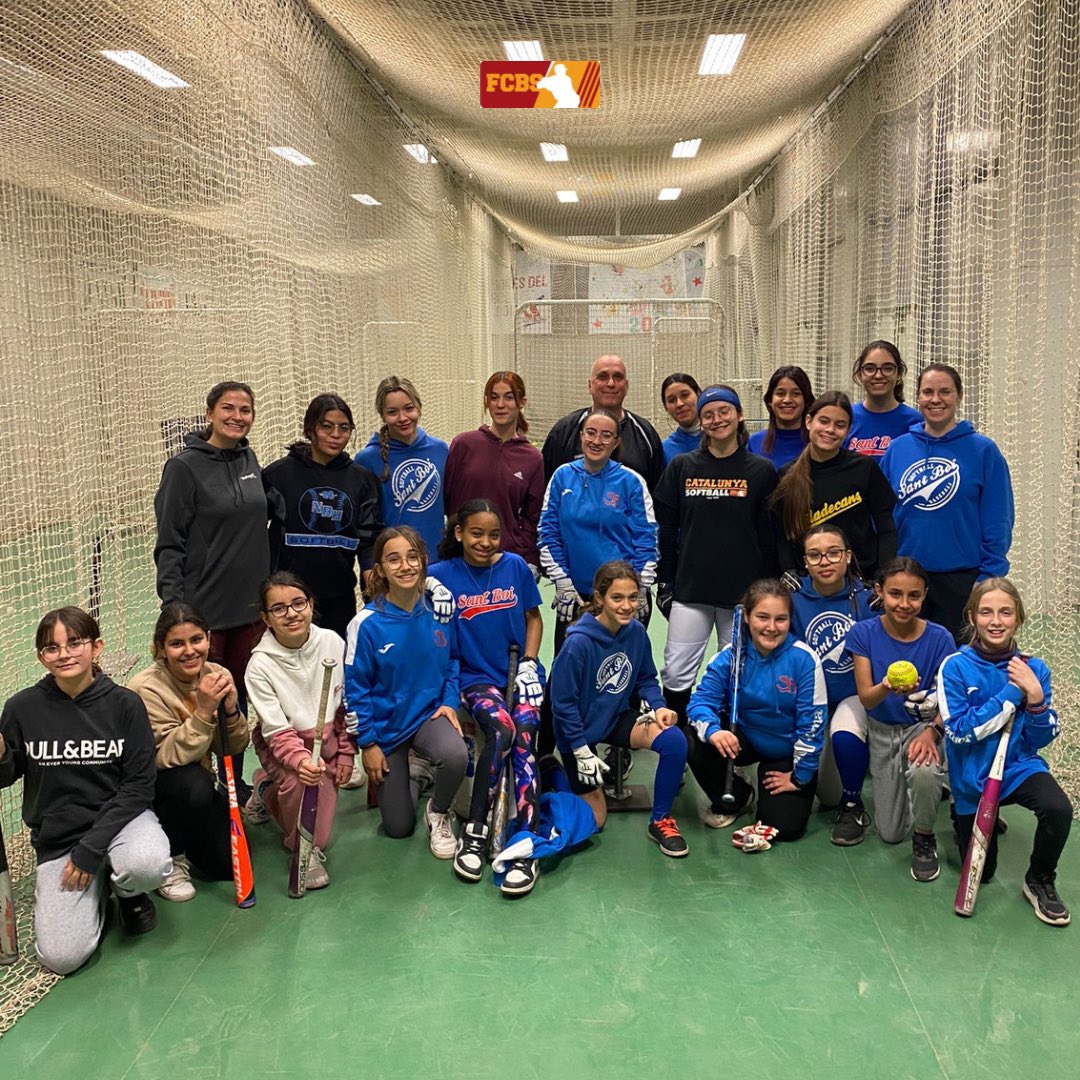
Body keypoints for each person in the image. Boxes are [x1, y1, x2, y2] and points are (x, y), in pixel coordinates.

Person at [0, 607, 170, 974]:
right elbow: (6, 774)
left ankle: (128, 892)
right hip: (61, 835)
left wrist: (92, 849)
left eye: (74, 643)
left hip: (122, 821)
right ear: (41, 657)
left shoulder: (125, 704)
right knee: (62, 958)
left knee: (147, 864)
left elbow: (139, 786)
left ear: (97, 647)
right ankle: (99, 893)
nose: (64, 654)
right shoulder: (21, 708)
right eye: (51, 648)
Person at [154, 381, 269, 804]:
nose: (237, 416)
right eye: (228, 408)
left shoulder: (250, 458)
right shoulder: (183, 468)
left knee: (236, 707)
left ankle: (234, 786)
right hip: (206, 617)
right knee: (203, 708)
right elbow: (169, 542)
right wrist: (175, 607)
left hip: (251, 614)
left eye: (245, 410)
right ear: (209, 413)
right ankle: (202, 796)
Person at [939, 578, 1072, 925]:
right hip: (973, 777)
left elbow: (1040, 739)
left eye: (1005, 612)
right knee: (984, 874)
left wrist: (1036, 698)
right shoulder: (954, 667)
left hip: (1018, 766)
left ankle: (1039, 880)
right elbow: (960, 732)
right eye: (986, 612)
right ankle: (960, 815)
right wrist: (1013, 694)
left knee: (1058, 808)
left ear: (1019, 619)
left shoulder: (1034, 669)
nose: (996, 620)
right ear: (972, 617)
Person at [429, 500, 545, 895]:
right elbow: (393, 580)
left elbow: (533, 618)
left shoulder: (513, 566)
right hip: (475, 678)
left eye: (493, 534)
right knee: (500, 728)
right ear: (459, 533)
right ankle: (476, 831)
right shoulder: (442, 574)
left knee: (526, 729)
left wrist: (530, 661)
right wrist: (427, 584)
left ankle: (526, 840)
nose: (485, 541)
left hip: (519, 672)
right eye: (476, 533)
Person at [654, 385, 779, 729]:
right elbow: (666, 529)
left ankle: (728, 751)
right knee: (677, 671)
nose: (717, 419)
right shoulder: (682, 467)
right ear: (701, 420)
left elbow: (769, 534)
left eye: (724, 411)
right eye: (708, 414)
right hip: (691, 589)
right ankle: (676, 748)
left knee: (735, 672)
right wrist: (665, 579)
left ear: (739, 416)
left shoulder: (761, 470)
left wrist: (769, 587)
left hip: (742, 595)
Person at [549, 561, 690, 857]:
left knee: (674, 740)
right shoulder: (577, 643)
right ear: (599, 598)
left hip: (614, 718)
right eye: (617, 598)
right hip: (579, 731)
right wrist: (578, 749)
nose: (627, 606)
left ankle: (661, 820)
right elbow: (562, 705)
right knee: (596, 820)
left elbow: (646, 678)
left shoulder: (636, 632)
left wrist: (659, 706)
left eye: (633, 597)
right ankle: (550, 770)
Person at [344, 527, 467, 858]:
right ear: (380, 568)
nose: (405, 566)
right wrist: (367, 744)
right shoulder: (366, 625)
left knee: (456, 754)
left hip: (428, 715)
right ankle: (415, 775)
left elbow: (453, 661)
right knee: (397, 828)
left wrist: (450, 703)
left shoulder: (439, 611)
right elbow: (355, 691)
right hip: (388, 731)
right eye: (394, 559)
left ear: (424, 562)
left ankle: (439, 812)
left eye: (413, 557)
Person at [881, 363, 1015, 642]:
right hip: (907, 579)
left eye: (945, 391)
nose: (935, 399)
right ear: (917, 397)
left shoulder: (983, 451)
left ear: (959, 396)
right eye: (927, 392)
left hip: (963, 580)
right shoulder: (898, 449)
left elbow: (998, 519)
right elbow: (882, 516)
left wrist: (988, 577)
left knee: (958, 669)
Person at [686, 580, 827, 842]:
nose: (771, 627)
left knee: (783, 829)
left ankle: (777, 787)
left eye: (780, 619)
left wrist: (799, 777)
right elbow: (699, 703)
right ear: (748, 617)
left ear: (789, 620)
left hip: (785, 750)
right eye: (762, 617)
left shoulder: (805, 660)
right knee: (692, 738)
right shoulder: (730, 656)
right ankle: (738, 797)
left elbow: (812, 725)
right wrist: (715, 732)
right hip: (743, 740)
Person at [844, 557, 957, 881]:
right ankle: (927, 789)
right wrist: (887, 686)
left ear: (924, 595)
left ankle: (925, 835)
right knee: (890, 833)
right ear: (879, 591)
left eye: (914, 596)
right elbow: (866, 698)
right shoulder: (863, 633)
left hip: (922, 728)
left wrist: (932, 733)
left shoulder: (941, 639)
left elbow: (948, 702)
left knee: (922, 771)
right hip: (881, 730)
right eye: (895, 594)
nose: (904, 604)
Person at [129, 602, 250, 901]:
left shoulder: (217, 674)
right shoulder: (145, 689)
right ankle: (172, 858)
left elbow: (232, 747)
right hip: (157, 791)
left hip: (197, 784)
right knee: (193, 783)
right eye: (176, 644)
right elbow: (165, 757)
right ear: (160, 648)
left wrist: (231, 713)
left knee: (224, 867)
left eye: (196, 639)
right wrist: (205, 710)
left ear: (208, 638)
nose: (189, 651)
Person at [245, 573, 354, 891]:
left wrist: (346, 752)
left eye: (298, 603)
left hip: (329, 742)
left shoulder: (332, 642)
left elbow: (344, 706)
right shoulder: (259, 666)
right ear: (266, 618)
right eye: (279, 609)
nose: (291, 613)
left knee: (322, 824)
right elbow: (277, 732)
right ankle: (304, 847)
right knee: (308, 826)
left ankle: (264, 788)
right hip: (284, 748)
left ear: (311, 604)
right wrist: (301, 763)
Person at [539, 406, 658, 655]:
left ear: (616, 442)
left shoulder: (631, 481)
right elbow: (548, 534)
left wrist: (639, 588)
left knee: (619, 673)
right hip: (575, 596)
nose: (597, 441)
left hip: (621, 598)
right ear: (581, 435)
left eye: (606, 435)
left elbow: (647, 538)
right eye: (591, 433)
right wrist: (563, 583)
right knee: (568, 672)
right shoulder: (562, 476)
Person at [263, 393, 381, 639]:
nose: (335, 434)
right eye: (326, 426)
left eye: (344, 428)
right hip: (288, 599)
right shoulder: (278, 475)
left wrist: (371, 573)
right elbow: (255, 534)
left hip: (339, 597)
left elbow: (368, 539)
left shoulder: (363, 480)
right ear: (310, 429)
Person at [789, 525, 875, 842]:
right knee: (825, 796)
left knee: (844, 731)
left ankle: (853, 803)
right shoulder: (792, 598)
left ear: (848, 557)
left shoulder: (868, 600)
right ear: (806, 561)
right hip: (811, 703)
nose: (825, 561)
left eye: (833, 553)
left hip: (852, 700)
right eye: (815, 555)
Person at [772, 391, 897, 584]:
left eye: (840, 425)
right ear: (808, 421)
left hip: (861, 580)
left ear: (848, 431)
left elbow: (886, 526)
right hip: (809, 585)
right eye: (823, 421)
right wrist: (788, 570)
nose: (830, 429)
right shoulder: (787, 475)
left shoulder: (864, 468)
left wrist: (882, 575)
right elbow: (782, 535)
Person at [444, 371, 545, 574]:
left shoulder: (533, 458)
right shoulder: (463, 444)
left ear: (521, 402)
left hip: (505, 560)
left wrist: (529, 559)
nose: (500, 405)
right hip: (460, 559)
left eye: (508, 397)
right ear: (486, 402)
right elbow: (448, 501)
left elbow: (532, 516)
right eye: (494, 397)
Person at [355, 376, 449, 557]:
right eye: (392, 412)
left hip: (437, 561)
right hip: (393, 566)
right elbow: (363, 525)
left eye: (409, 408)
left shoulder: (441, 450)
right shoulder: (367, 459)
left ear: (419, 408)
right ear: (382, 415)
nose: (402, 418)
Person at [541, 354, 665, 490]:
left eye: (618, 377)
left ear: (626, 386)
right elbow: (546, 488)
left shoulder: (646, 434)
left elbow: (657, 493)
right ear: (590, 385)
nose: (611, 383)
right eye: (602, 377)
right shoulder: (564, 431)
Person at [845, 340, 921, 458]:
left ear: (899, 373)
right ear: (860, 374)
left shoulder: (915, 421)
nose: (878, 375)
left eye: (887, 368)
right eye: (870, 368)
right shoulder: (846, 417)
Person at [747, 365, 815, 469]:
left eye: (796, 394)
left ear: (806, 401)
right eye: (780, 393)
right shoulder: (754, 443)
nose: (787, 400)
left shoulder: (818, 443)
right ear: (770, 400)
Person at [659, 372, 702, 464]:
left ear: (699, 395)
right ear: (665, 407)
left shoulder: (720, 439)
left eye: (685, 395)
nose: (679, 404)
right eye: (671, 400)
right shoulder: (664, 450)